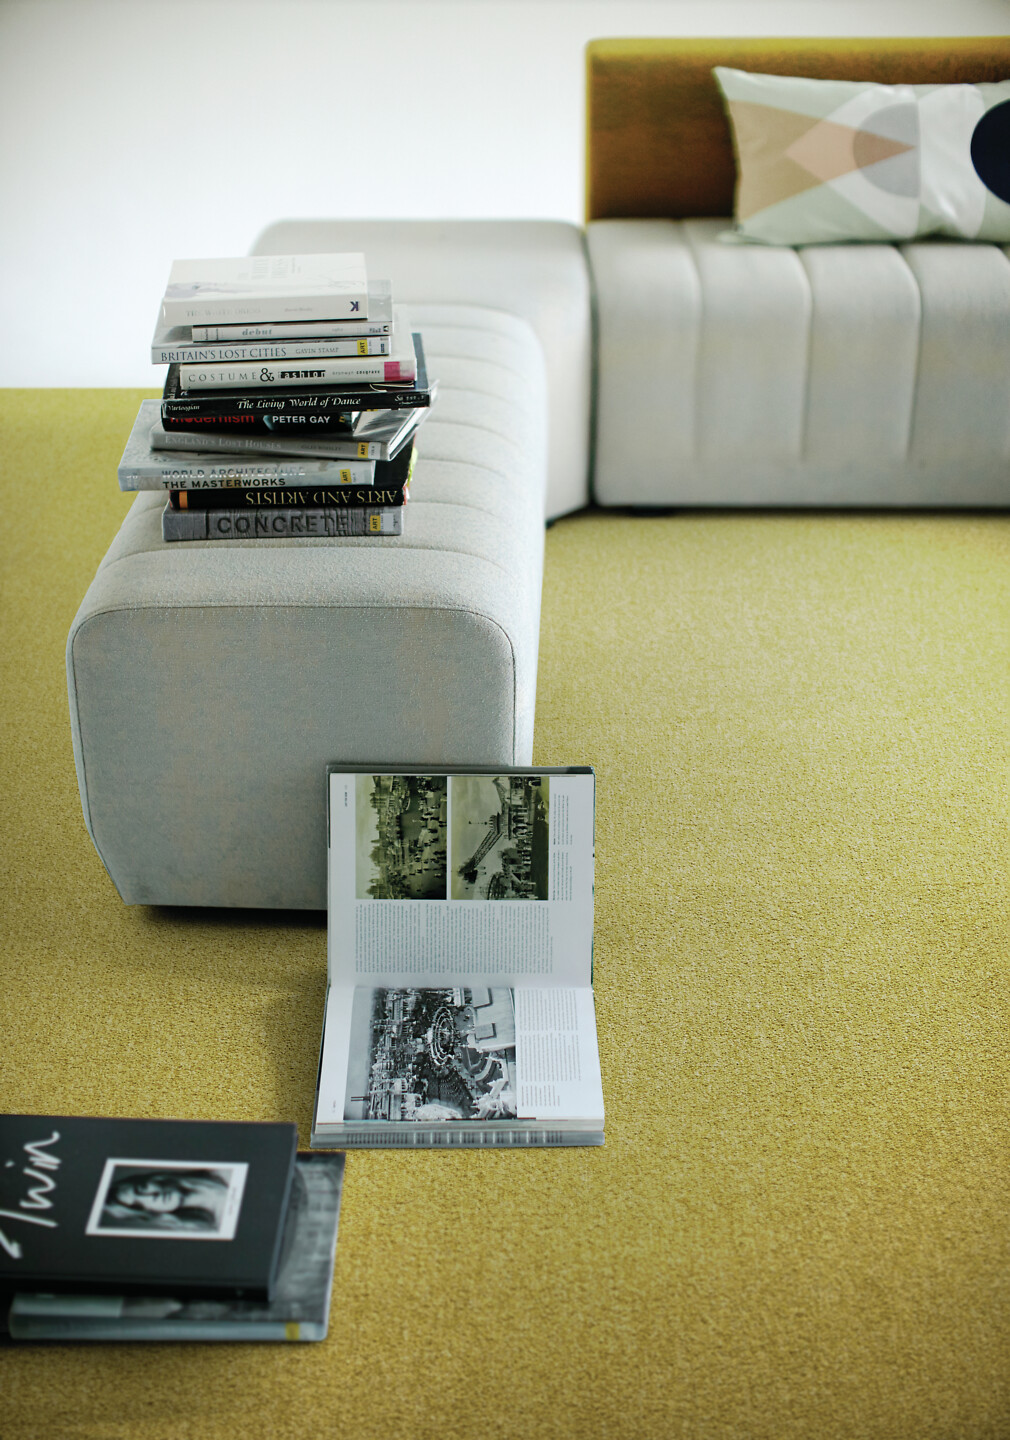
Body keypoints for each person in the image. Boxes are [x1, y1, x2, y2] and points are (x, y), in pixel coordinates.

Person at [102, 1168, 230, 1231]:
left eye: (141, 1188)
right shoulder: (212, 1230)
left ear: (152, 1179)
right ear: (147, 1213)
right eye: (138, 1205)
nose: (151, 1196)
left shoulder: (222, 1171)